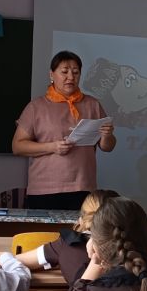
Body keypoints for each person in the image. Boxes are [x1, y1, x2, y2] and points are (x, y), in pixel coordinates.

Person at [11, 50, 116, 211]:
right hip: (45, 189)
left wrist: (107, 135)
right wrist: (52, 147)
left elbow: (107, 147)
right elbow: (17, 146)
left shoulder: (92, 104)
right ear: (52, 75)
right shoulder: (36, 107)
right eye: (64, 72)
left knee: (81, 228)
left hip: (83, 186)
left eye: (75, 72)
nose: (70, 77)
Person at [9, 189, 118, 287]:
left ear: (81, 220)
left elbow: (19, 261)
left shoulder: (67, 243)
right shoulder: (126, 246)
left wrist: (0, 258)